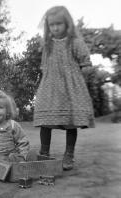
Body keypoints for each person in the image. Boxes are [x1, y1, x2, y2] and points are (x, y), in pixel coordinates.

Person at [33, 6, 95, 170]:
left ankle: (69, 154)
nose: (55, 28)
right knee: (45, 121)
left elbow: (86, 63)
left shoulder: (75, 42)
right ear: (48, 26)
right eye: (51, 25)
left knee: (71, 122)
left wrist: (84, 72)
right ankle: (44, 153)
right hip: (50, 88)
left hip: (70, 87)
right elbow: (44, 67)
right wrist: (44, 84)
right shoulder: (47, 45)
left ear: (67, 23)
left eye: (59, 24)